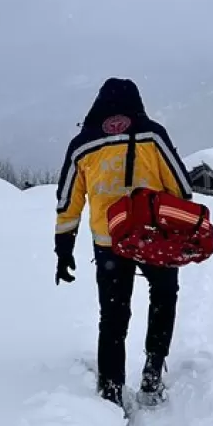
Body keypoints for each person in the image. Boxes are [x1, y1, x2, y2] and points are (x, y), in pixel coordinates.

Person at [54, 77, 194, 407]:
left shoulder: (83, 145)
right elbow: (182, 188)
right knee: (163, 296)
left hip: (109, 243)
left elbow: (67, 201)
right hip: (152, 237)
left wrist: (64, 248)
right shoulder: (153, 135)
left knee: (113, 317)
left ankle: (111, 390)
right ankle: (152, 372)